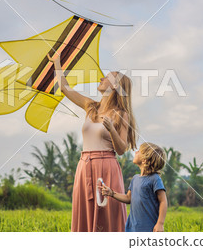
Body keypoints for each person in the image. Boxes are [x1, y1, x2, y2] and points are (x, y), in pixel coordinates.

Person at [47, 53, 137, 232]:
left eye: (107, 77)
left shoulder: (121, 114)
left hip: (106, 166)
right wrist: (57, 62)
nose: (102, 78)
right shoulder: (90, 106)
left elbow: (121, 150)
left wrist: (111, 129)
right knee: (84, 214)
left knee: (107, 214)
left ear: (115, 86)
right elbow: (64, 88)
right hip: (84, 166)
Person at [101, 142, 168, 232]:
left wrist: (160, 223)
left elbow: (163, 201)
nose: (136, 152)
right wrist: (112, 193)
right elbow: (128, 198)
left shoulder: (155, 178)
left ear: (144, 160)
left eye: (139, 151)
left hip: (148, 228)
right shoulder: (135, 178)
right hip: (132, 227)